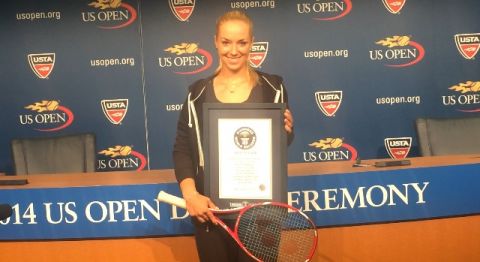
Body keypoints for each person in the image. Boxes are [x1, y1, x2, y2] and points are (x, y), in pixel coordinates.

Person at [172, 10, 294, 262]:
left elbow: (278, 147)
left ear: (251, 43)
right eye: (226, 42)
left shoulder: (274, 88)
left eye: (242, 42)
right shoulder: (197, 93)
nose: (234, 50)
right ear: (216, 41)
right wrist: (191, 195)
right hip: (212, 213)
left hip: (262, 215)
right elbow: (182, 148)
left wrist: (287, 132)